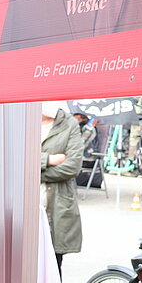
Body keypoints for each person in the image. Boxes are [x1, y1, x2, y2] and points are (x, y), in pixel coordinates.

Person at [40, 101, 84, 269]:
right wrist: (49, 159)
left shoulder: (69, 123)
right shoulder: (23, 120)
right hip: (27, 205)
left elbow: (73, 166)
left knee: (53, 264)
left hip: (57, 205)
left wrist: (34, 173)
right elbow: (17, 159)